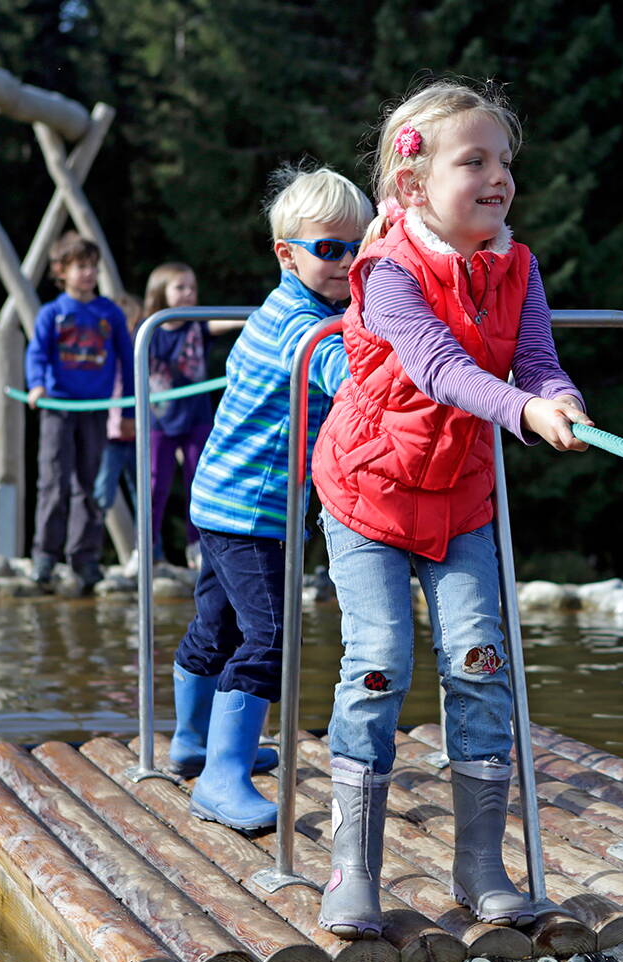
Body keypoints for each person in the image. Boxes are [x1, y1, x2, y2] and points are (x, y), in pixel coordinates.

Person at [310, 81, 592, 940]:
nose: (499, 176)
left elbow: (536, 360)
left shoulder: (520, 266)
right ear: (412, 185)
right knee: (380, 660)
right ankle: (352, 869)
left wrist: (562, 400)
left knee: (478, 659)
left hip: (461, 497)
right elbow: (440, 368)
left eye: (505, 161)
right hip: (368, 495)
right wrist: (520, 411)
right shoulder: (387, 273)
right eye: (475, 161)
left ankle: (480, 868)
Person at [169, 166, 374, 825]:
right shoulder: (302, 327)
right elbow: (347, 377)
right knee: (273, 636)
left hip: (221, 501)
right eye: (329, 248)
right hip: (253, 514)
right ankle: (220, 777)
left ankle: (192, 742)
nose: (346, 262)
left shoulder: (297, 309)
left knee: (218, 625)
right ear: (287, 253)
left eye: (359, 247)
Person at [25, 232, 133, 590]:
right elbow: (37, 353)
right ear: (61, 271)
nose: (88, 273)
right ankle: (44, 556)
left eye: (92, 267)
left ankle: (85, 557)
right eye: (80, 267)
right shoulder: (51, 313)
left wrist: (129, 405)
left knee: (89, 484)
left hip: (96, 409)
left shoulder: (109, 313)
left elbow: (128, 362)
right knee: (54, 482)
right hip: (58, 408)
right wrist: (37, 385)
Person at [141, 263, 217, 568]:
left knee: (197, 481)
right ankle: (145, 547)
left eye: (192, 287)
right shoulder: (148, 329)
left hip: (196, 418)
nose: (188, 293)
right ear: (161, 292)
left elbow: (228, 322)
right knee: (155, 484)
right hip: (159, 419)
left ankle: (196, 545)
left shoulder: (198, 325)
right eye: (180, 287)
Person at [92, 292, 142, 550]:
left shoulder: (140, 351)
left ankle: (149, 553)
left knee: (145, 496)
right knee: (102, 493)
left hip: (136, 436)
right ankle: (90, 551)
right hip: (110, 436)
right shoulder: (104, 353)